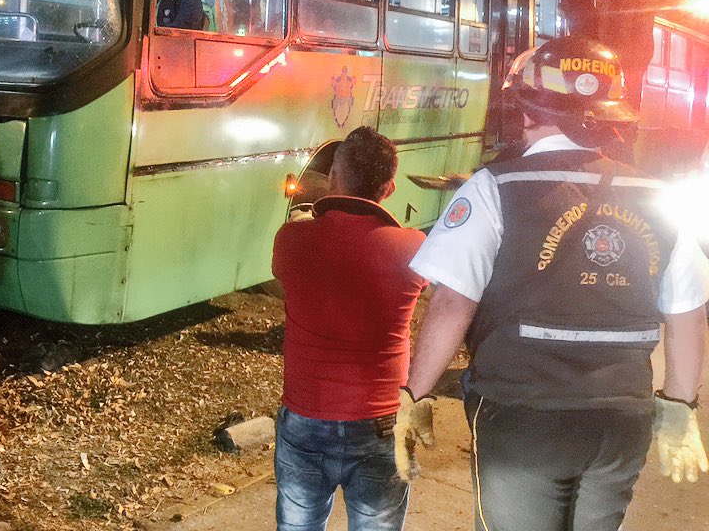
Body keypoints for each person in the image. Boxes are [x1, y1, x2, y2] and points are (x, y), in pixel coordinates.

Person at [395, 36, 709, 531]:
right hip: (619, 426)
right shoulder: (659, 197)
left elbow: (452, 303)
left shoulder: (495, 187)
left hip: (522, 419)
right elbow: (688, 314)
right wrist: (678, 404)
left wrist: (415, 395)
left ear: (525, 109)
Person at [272, 126, 427, 531]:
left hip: (306, 418)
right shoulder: (414, 249)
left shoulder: (291, 240)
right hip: (382, 423)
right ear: (389, 189)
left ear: (334, 178)